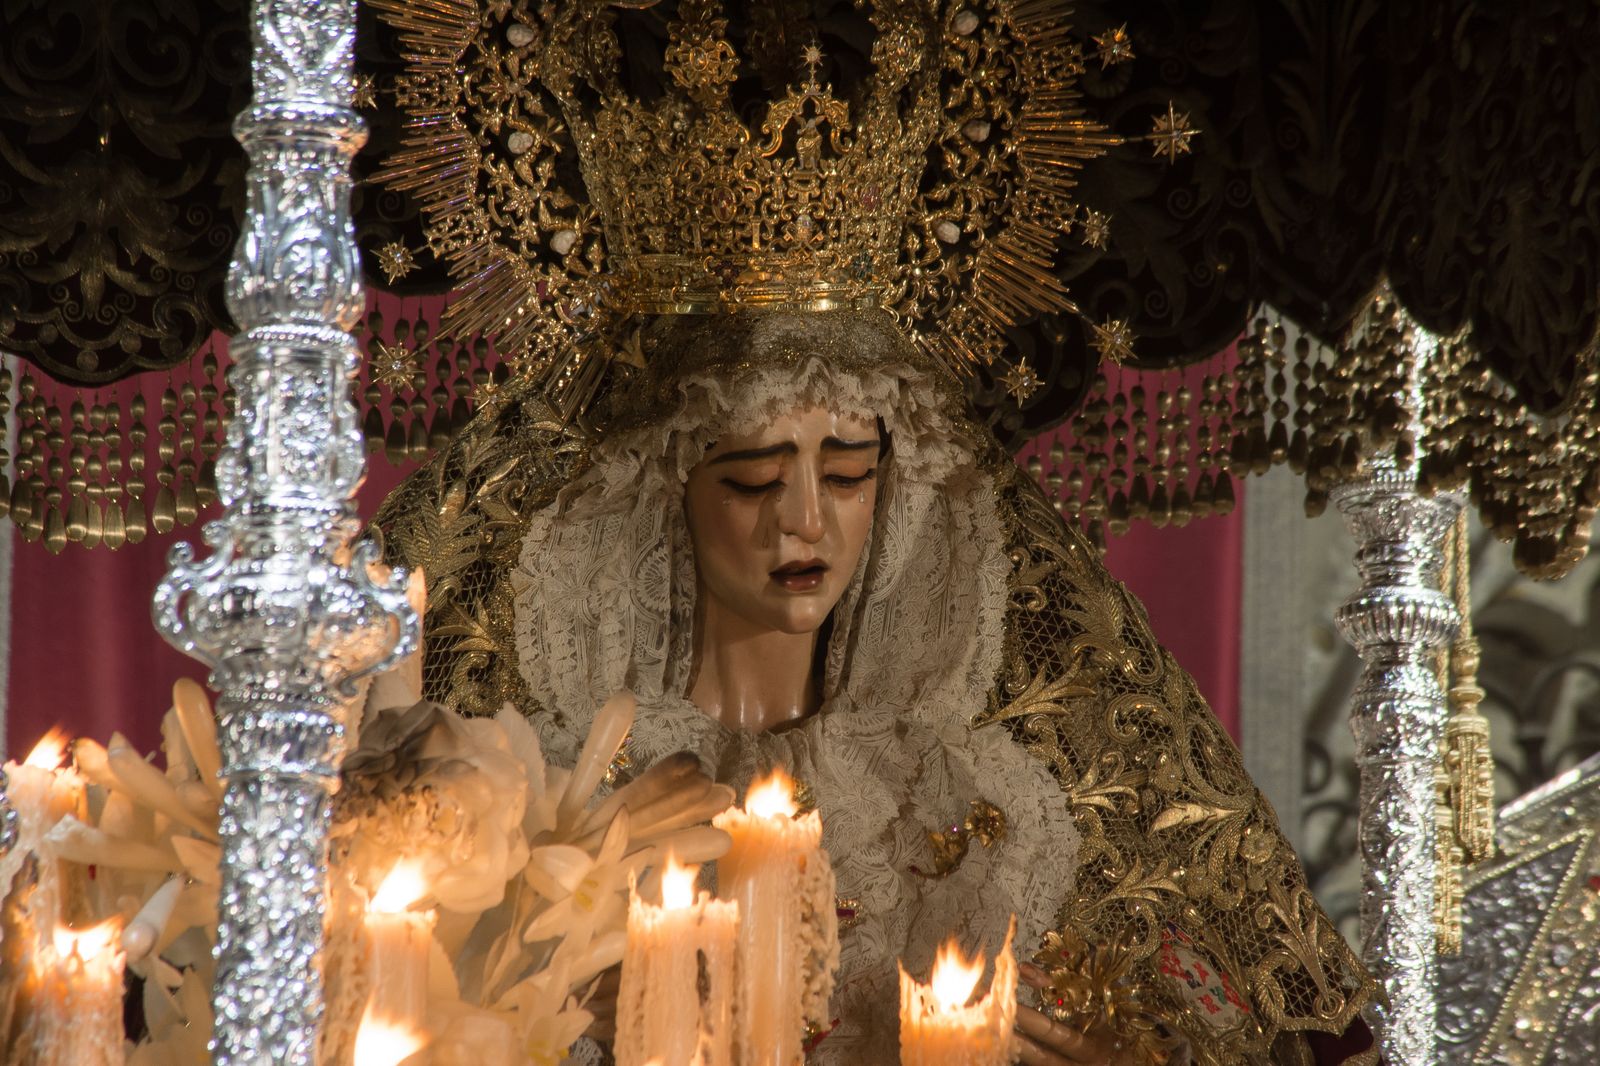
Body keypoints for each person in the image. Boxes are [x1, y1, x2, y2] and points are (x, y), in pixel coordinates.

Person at [370, 1, 1377, 1061]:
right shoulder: (547, 802)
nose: (807, 519)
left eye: (850, 475)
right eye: (754, 479)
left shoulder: (983, 797)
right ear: (662, 490)